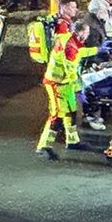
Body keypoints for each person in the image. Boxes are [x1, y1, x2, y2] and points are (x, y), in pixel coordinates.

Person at [38, 20, 90, 159]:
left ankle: (72, 141)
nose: (88, 36)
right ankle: (44, 146)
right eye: (87, 32)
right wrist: (79, 91)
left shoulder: (70, 40)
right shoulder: (70, 48)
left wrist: (98, 49)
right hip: (56, 83)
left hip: (64, 84)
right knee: (56, 116)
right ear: (81, 32)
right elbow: (71, 72)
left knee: (71, 113)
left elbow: (80, 52)